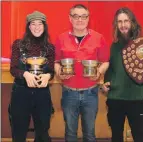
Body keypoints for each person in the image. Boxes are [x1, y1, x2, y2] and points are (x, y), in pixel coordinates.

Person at [101, 7, 143, 142]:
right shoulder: (114, 46)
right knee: (116, 137)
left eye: (126, 21)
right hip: (115, 99)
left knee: (139, 137)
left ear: (132, 23)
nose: (123, 25)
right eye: (119, 22)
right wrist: (105, 83)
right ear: (116, 25)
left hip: (135, 100)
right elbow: (111, 69)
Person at [54, 4, 110, 142]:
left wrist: (99, 72)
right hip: (69, 92)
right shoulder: (61, 38)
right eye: (76, 16)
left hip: (90, 93)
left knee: (90, 134)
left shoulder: (98, 38)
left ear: (88, 18)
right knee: (70, 134)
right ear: (70, 18)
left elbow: (106, 61)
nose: (80, 19)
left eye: (83, 16)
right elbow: (55, 61)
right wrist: (59, 72)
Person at [9, 11, 55, 142]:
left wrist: (48, 76)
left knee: (43, 134)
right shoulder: (18, 44)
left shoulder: (50, 48)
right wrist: (24, 74)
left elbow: (51, 70)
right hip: (21, 93)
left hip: (42, 94)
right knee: (18, 132)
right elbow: (13, 69)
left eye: (40, 24)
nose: (36, 27)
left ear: (44, 26)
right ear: (28, 27)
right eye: (33, 24)